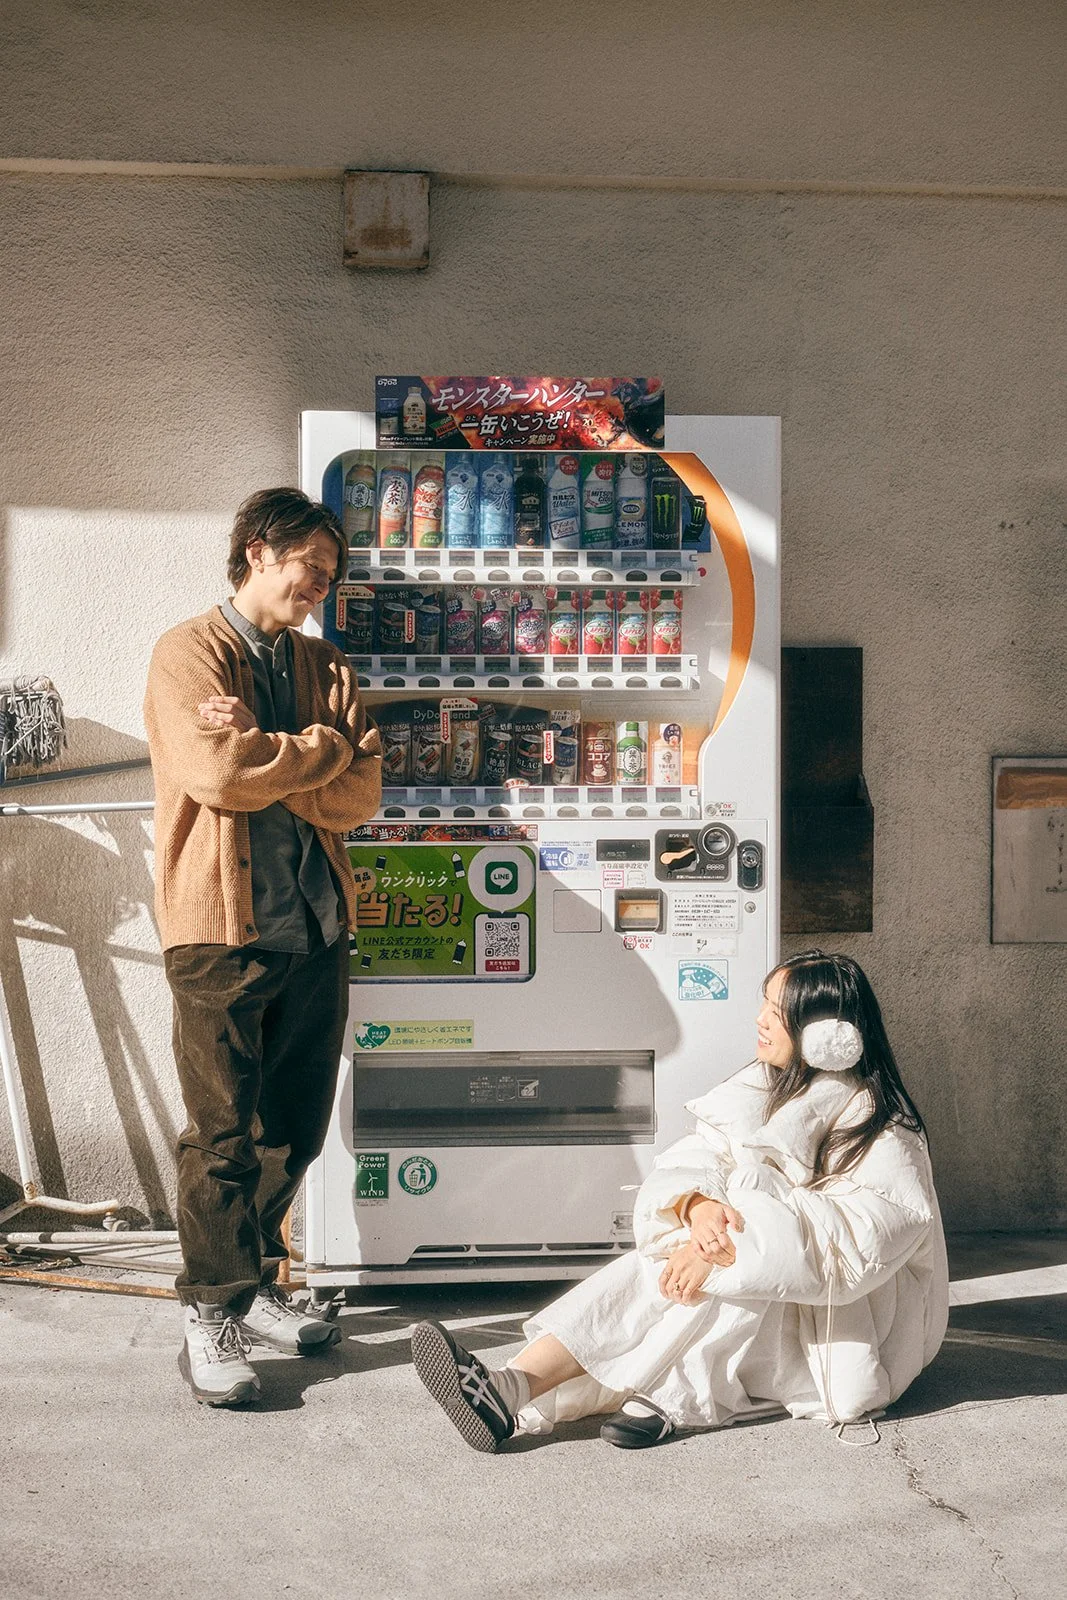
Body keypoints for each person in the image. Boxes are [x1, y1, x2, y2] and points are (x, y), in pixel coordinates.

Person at [411, 950, 948, 1451]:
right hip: (772, 1288)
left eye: (777, 1011)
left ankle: (662, 1393)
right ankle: (506, 1391)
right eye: (763, 1002)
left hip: (848, 1324)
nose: (760, 1019)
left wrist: (724, 1242)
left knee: (719, 1281)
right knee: (668, 1265)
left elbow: (856, 1244)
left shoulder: (885, 1128)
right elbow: (699, 1158)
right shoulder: (764, 1088)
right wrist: (696, 1208)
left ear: (827, 1035)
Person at [144, 487, 381, 1407]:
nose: (319, 582)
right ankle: (209, 1310)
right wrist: (320, 752)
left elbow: (360, 794)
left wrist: (284, 752)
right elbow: (214, 773)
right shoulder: (189, 653)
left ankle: (254, 1285)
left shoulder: (324, 663)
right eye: (305, 565)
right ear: (253, 552)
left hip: (318, 927)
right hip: (219, 934)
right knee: (221, 1135)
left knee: (294, 1128)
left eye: (329, 571)